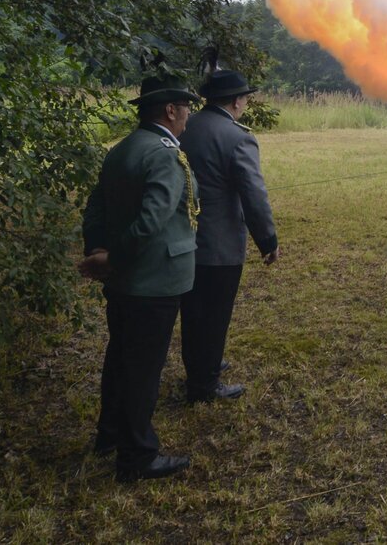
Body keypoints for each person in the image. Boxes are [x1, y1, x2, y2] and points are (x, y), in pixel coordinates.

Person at [79, 74, 199, 483]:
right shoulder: (166, 154)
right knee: (143, 369)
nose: (188, 116)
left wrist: (96, 250)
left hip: (126, 281)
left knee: (120, 360)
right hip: (155, 280)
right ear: (170, 110)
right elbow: (152, 221)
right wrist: (112, 258)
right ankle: (137, 455)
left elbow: (95, 207)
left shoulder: (122, 149)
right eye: (186, 108)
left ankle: (109, 435)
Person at [178, 69, 280, 405]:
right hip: (219, 243)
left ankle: (201, 365)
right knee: (215, 313)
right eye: (246, 97)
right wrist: (268, 240)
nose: (246, 102)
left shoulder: (185, 127)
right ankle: (205, 386)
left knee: (193, 311)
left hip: (183, 238)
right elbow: (253, 194)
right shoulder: (238, 137)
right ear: (236, 101)